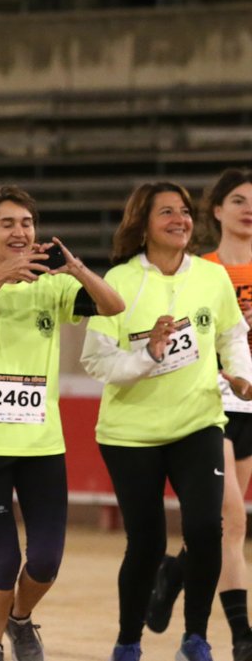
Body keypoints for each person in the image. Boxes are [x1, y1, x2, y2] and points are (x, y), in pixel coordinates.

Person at [0, 185, 124, 661]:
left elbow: (114, 306)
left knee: (44, 563)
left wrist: (78, 268)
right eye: (7, 224)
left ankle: (19, 620)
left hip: (42, 444)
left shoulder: (54, 286)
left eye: (26, 223)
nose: (20, 231)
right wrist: (0, 277)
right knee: (3, 563)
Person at [81, 181, 252, 661]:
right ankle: (128, 642)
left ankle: (195, 638)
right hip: (130, 435)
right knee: (146, 543)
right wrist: (147, 356)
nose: (180, 220)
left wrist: (240, 376)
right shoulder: (119, 281)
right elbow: (96, 360)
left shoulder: (211, 279)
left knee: (204, 529)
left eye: (184, 211)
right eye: (167, 213)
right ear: (142, 224)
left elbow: (233, 336)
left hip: (198, 422)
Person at [144, 168, 252, 661]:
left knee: (220, 524)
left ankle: (175, 571)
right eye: (238, 199)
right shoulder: (200, 271)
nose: (248, 208)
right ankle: (240, 636)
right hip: (211, 406)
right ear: (216, 210)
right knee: (232, 519)